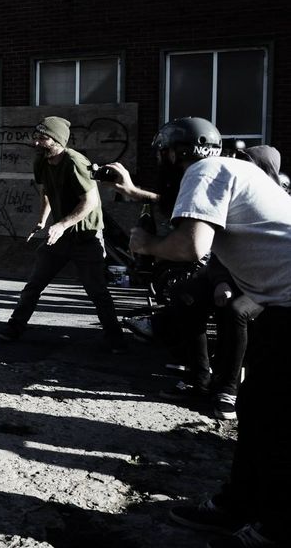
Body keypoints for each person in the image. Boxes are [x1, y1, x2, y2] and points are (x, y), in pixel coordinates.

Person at [128, 117, 291, 548]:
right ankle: (238, 505)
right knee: (258, 411)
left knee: (275, 421)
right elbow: (188, 211)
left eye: (163, 154)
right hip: (279, 305)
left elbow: (191, 245)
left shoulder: (205, 170)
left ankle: (273, 527)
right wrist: (131, 193)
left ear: (175, 153)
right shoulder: (231, 168)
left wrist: (147, 245)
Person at [0, 116, 127, 351]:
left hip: (86, 236)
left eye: (42, 138)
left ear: (57, 141)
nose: (36, 143)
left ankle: (115, 338)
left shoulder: (75, 162)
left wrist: (62, 224)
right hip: (60, 236)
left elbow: (90, 202)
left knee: (97, 291)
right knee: (34, 284)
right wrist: (42, 220)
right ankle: (14, 327)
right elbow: (46, 191)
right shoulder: (42, 161)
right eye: (35, 137)